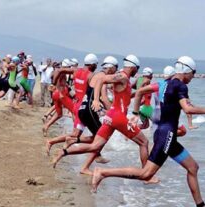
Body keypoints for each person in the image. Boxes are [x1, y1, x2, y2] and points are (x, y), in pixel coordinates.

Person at [91, 56, 205, 207]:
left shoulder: (165, 83)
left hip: (164, 134)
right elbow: (188, 109)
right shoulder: (181, 86)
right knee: (146, 174)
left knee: (193, 167)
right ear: (186, 71)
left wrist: (135, 113)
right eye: (193, 72)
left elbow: (141, 91)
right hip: (167, 135)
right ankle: (103, 172)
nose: (193, 76)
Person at [52, 55, 158, 184]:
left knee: (94, 146)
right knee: (144, 143)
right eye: (137, 68)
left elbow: (124, 96)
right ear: (132, 66)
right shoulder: (122, 77)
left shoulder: (124, 79)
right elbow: (101, 80)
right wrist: (96, 100)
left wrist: (136, 94)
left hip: (111, 116)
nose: (137, 71)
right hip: (118, 117)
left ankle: (62, 153)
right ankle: (146, 175)